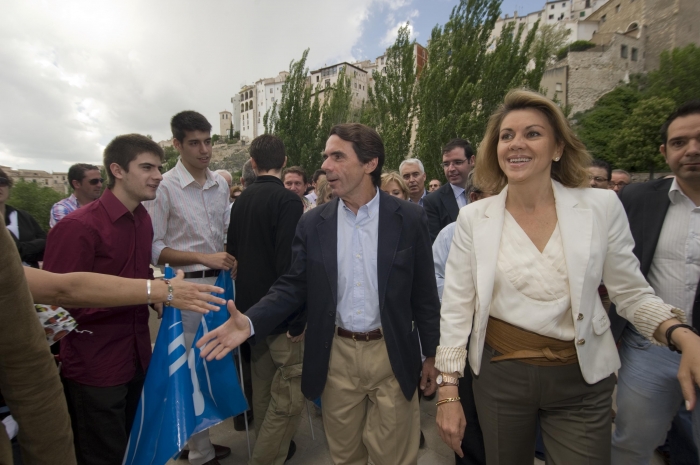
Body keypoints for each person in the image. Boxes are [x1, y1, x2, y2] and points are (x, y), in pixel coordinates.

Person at [435, 89, 700, 465]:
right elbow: (458, 307)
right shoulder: (474, 219)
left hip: (582, 379)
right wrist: (448, 392)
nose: (516, 144)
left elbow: (631, 293)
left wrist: (680, 335)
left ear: (558, 147)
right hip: (500, 377)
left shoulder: (601, 206)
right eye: (506, 136)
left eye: (532, 133)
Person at [198, 123, 441, 465]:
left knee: (396, 457)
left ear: (370, 163)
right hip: (335, 355)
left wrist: (431, 355)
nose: (325, 165)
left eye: (337, 156)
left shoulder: (410, 218)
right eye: (326, 156)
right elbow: (293, 283)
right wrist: (251, 322)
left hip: (392, 353)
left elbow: (425, 295)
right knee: (345, 456)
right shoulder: (313, 223)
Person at [41, 134, 165, 464]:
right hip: (96, 368)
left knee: (135, 451)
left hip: (138, 358)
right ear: (117, 170)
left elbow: (138, 277)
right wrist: (147, 292)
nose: (158, 175)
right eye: (147, 167)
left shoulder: (143, 219)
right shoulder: (76, 227)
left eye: (160, 167)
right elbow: (57, 299)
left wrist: (155, 295)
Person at [610, 100, 700, 465]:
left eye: (699, 139)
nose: (692, 149)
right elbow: (621, 274)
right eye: (680, 143)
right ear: (664, 152)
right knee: (631, 443)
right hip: (650, 348)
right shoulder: (636, 200)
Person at [145, 111, 233, 465]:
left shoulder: (221, 184)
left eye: (208, 141)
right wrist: (207, 258)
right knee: (188, 371)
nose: (204, 150)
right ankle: (199, 452)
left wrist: (227, 257)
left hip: (219, 287)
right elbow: (154, 247)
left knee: (210, 367)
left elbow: (223, 233)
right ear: (177, 145)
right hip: (185, 290)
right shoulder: (163, 186)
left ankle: (195, 442)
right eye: (194, 142)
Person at [227, 134, 305, 464]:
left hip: (251, 315)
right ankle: (266, 456)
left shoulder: (241, 201)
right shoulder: (288, 201)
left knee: (262, 391)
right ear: (285, 161)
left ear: (253, 163)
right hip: (280, 315)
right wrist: (299, 316)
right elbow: (290, 265)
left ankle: (276, 448)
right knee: (288, 396)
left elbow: (233, 256)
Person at [431, 171, 489, 465]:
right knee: (469, 421)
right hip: (461, 337)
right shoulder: (451, 234)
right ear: (474, 197)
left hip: (505, 344)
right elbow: (436, 276)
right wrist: (466, 296)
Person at [423, 138, 475, 242]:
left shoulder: (489, 192)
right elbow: (436, 244)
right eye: (446, 164)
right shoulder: (433, 201)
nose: (451, 169)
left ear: (472, 160)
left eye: (457, 162)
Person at [0, 168, 45, 268]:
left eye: (2, 182)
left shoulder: (23, 216)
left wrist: (20, 249)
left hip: (32, 280)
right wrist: (32, 247)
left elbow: (46, 245)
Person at [50, 163, 103, 228]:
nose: (100, 185)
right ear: (76, 184)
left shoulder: (104, 206)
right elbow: (69, 235)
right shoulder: (62, 209)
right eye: (94, 181)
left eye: (101, 180)